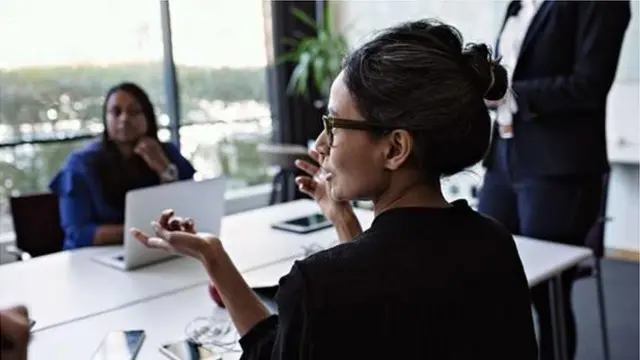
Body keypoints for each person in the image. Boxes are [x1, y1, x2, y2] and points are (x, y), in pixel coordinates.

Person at [132, 19, 539, 359]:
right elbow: (393, 287)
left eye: (334, 125)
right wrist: (342, 219)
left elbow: (272, 349)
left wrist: (212, 256)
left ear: (395, 147)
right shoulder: (493, 242)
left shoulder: (320, 285)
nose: (321, 146)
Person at [478, 2, 631, 359]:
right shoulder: (518, 4)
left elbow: (589, 86)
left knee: (546, 293)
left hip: (559, 167)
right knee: (483, 269)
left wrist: (511, 93)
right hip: (503, 157)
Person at [49, 82, 196, 250]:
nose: (124, 118)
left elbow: (190, 210)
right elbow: (79, 233)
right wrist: (145, 233)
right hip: (94, 259)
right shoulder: (81, 164)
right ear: (106, 118)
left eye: (134, 112)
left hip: (154, 252)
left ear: (148, 117)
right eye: (116, 112)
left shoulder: (167, 152)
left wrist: (165, 170)